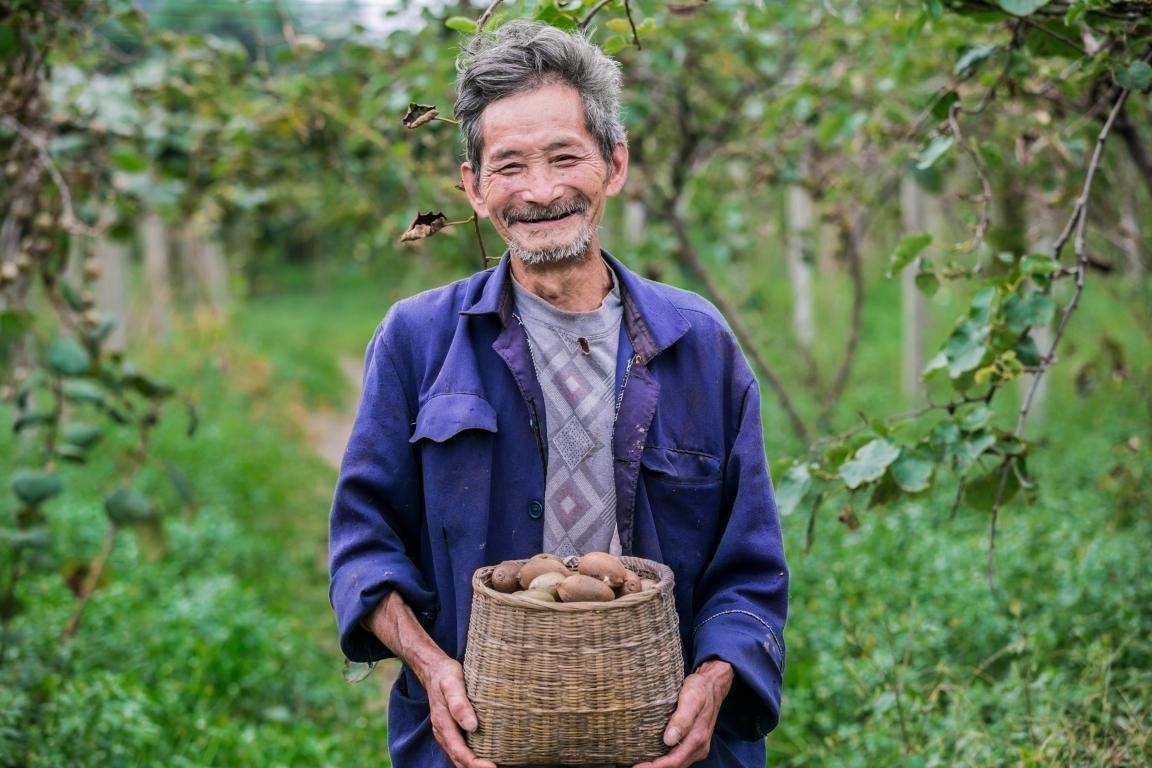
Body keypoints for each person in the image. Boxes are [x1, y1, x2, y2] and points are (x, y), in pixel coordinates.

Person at [328, 20, 788, 768]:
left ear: (615, 163)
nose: (540, 192)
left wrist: (715, 677)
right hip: (480, 743)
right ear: (474, 189)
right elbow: (363, 546)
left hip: (664, 744)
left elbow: (752, 566)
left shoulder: (699, 345)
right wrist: (431, 666)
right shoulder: (417, 341)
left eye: (564, 157)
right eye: (509, 166)